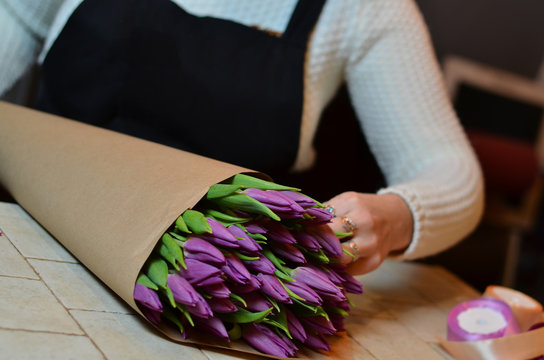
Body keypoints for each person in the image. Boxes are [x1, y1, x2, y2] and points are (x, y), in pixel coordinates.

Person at [0, 0, 484, 275]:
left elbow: (451, 174)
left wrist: (396, 217)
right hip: (21, 244)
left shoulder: (366, 10)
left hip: (201, 291)